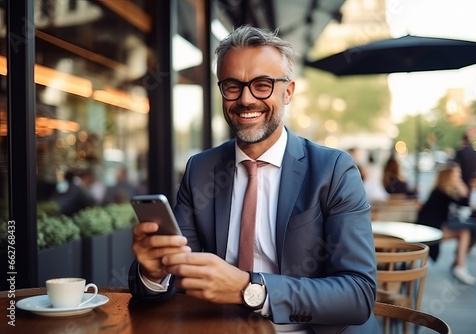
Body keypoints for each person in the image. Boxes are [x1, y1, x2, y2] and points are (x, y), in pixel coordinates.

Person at [128, 25, 378, 333]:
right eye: (232, 86)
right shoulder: (200, 170)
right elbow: (179, 270)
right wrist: (154, 273)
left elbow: (357, 294)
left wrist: (249, 289)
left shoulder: (334, 170)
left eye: (262, 85)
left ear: (288, 92)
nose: (245, 99)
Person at [417, 162, 476, 285]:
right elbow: (464, 203)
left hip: (434, 227)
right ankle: (459, 266)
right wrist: (463, 187)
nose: (459, 176)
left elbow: (463, 204)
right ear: (448, 175)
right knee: (464, 232)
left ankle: (458, 264)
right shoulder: (441, 191)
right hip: (430, 230)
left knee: (465, 231)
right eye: (456, 174)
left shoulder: (442, 190)